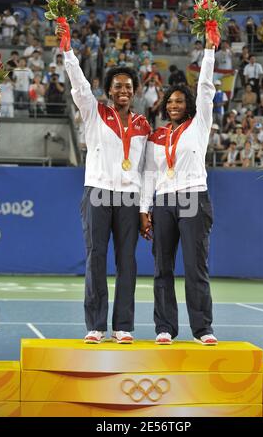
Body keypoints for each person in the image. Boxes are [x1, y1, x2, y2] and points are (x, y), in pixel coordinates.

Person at [56, 22, 151, 345]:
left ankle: (123, 325)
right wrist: (67, 50)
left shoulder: (143, 125)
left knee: (128, 262)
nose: (123, 91)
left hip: (128, 197)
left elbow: (145, 170)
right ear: (109, 90)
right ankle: (95, 325)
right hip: (97, 192)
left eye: (128, 87)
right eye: (117, 86)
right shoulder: (94, 112)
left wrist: (144, 208)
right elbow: (80, 85)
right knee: (96, 258)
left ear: (135, 91)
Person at [140, 33, 217, 346]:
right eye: (170, 101)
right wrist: (145, 210)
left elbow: (207, 89)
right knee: (162, 268)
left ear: (188, 105)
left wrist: (210, 50)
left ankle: (203, 329)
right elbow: (147, 176)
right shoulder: (156, 137)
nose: (174, 105)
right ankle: (165, 327)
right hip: (163, 203)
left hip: (193, 198)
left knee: (195, 266)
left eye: (179, 101)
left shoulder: (198, 126)